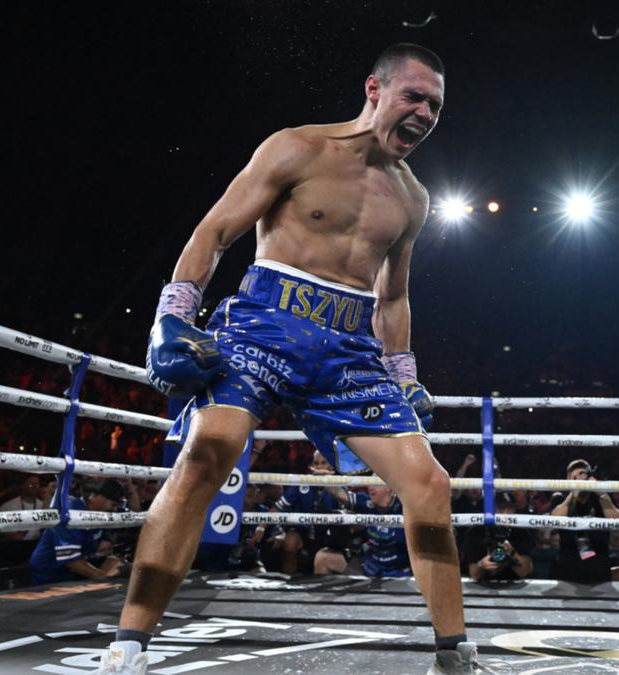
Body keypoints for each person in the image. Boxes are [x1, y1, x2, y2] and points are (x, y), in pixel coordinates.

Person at [97, 44, 478, 674]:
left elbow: (395, 293)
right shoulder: (298, 147)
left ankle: (453, 654)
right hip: (264, 327)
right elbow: (214, 230)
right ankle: (129, 645)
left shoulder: (414, 198)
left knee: (430, 484)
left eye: (435, 104)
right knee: (206, 454)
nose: (426, 112)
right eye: (414, 96)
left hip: (351, 351)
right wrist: (173, 316)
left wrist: (404, 372)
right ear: (374, 90)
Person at [28, 480, 127, 585]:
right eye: (113, 504)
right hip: (49, 573)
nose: (115, 509)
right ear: (98, 497)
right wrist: (103, 577)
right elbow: (69, 559)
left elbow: (134, 516)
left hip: (74, 571)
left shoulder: (103, 512)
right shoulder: (69, 513)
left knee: (118, 564)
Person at [550, 459, 619, 584]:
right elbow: (554, 521)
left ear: (590, 477)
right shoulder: (560, 498)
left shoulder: (601, 498)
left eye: (582, 474)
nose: (578, 479)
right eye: (574, 477)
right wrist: (573, 494)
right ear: (568, 480)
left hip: (599, 569)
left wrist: (600, 491)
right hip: (568, 569)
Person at [461, 492, 534, 582]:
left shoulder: (521, 533)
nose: (506, 514)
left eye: (510, 509)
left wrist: (512, 553)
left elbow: (524, 571)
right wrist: (481, 565)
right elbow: (474, 574)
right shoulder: (476, 532)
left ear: (515, 511)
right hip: (480, 585)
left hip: (512, 584)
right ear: (492, 510)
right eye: (501, 508)